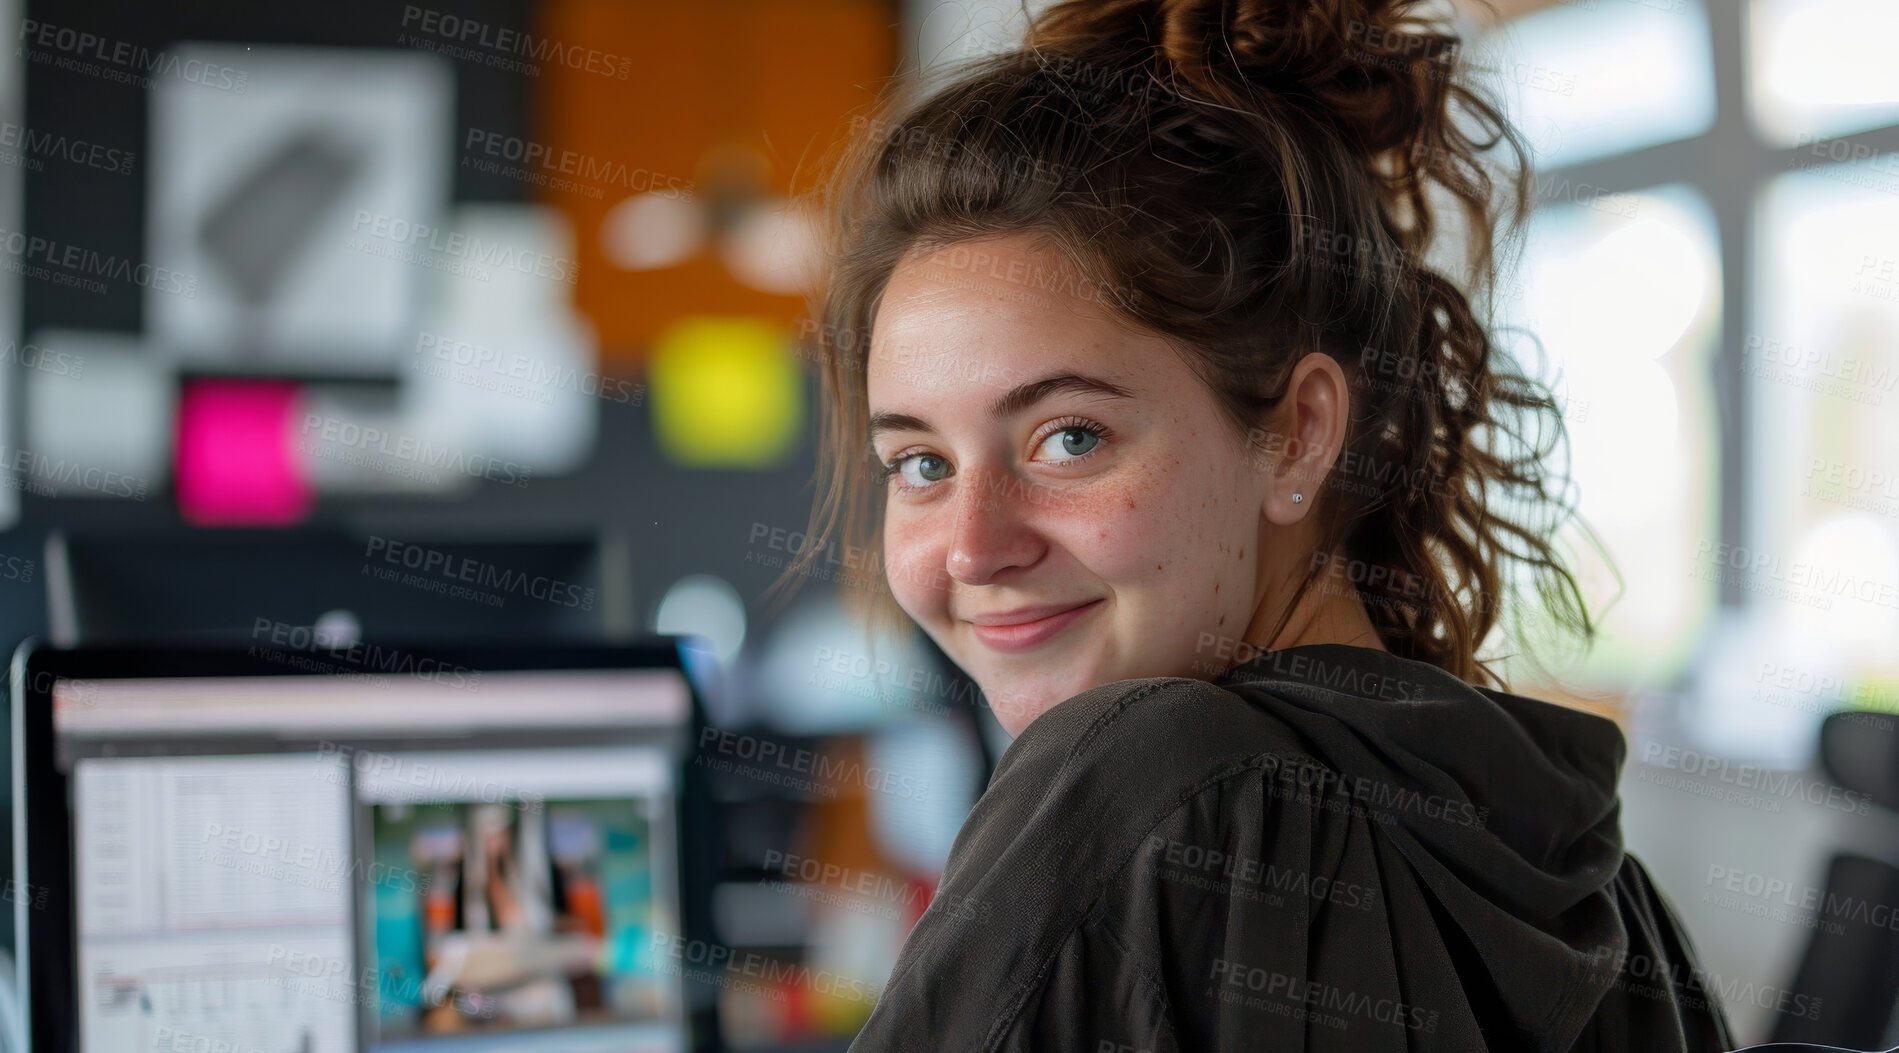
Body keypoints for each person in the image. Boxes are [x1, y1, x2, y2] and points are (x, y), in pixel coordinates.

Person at [774, 0, 1737, 1048]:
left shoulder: (1140, 780)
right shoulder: (1608, 897)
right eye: (919, 463)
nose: (970, 545)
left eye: (1070, 438)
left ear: (1298, 434)